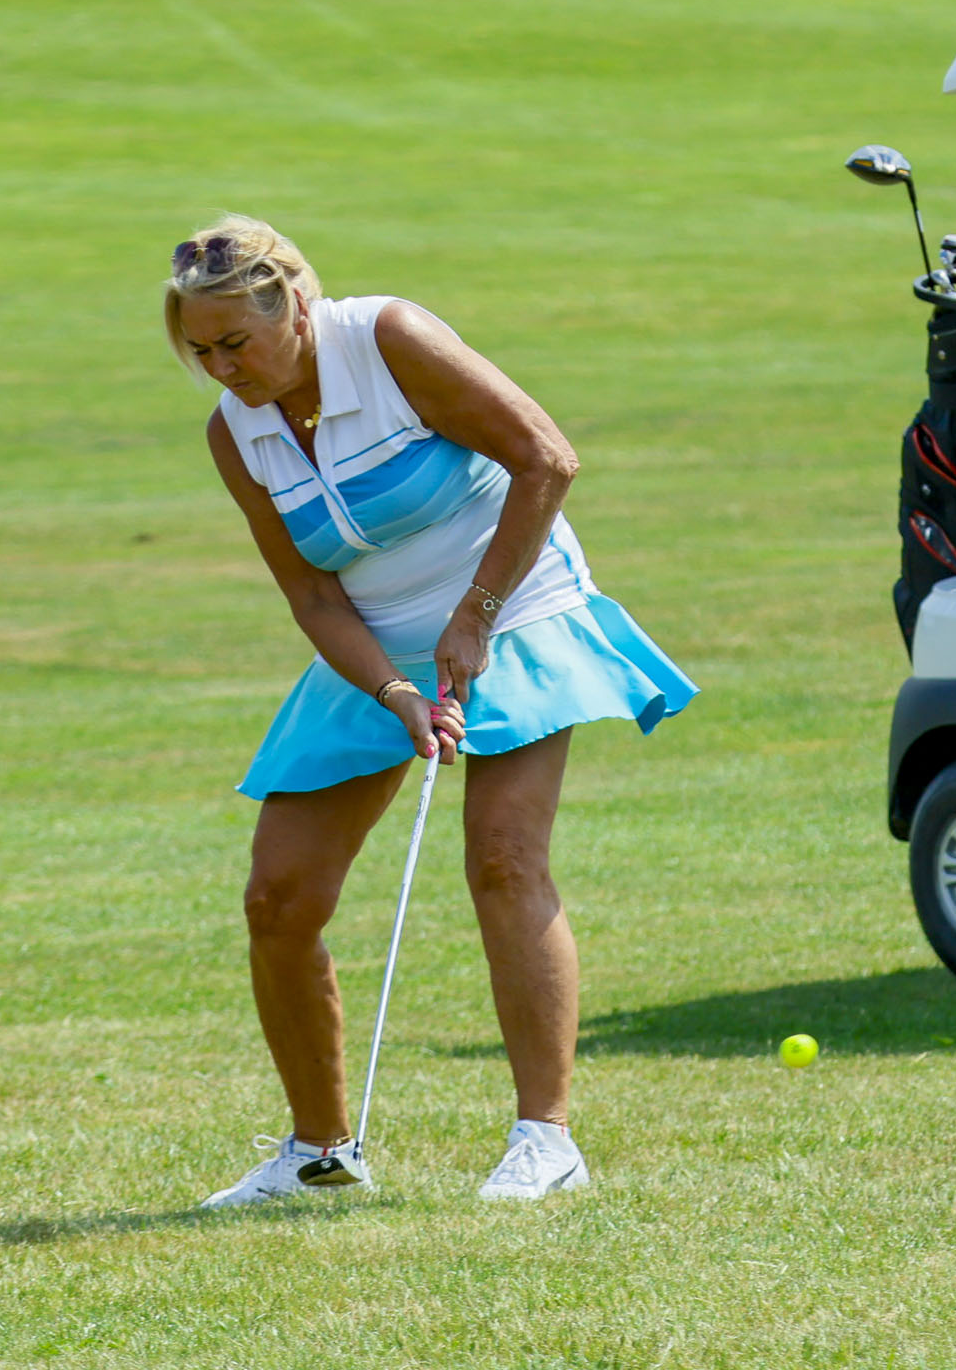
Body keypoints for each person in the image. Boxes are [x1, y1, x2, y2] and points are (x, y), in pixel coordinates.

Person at [167, 217, 698, 1208]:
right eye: (200, 351)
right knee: (277, 897)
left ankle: (547, 1138)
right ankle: (320, 1151)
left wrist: (476, 615)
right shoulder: (233, 430)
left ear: (292, 302)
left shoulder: (391, 339)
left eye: (235, 340)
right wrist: (398, 690)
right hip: (374, 650)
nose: (221, 367)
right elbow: (315, 597)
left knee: (503, 856)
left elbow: (546, 457)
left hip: (516, 607)